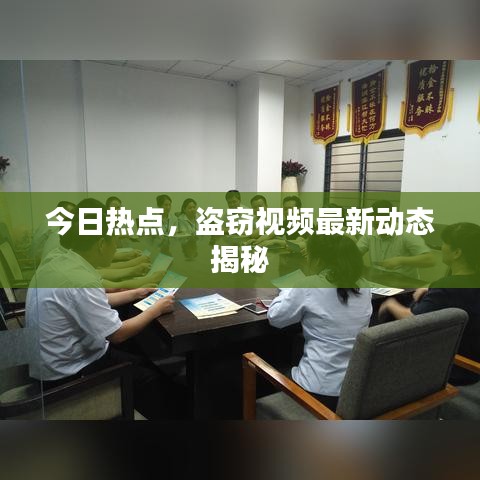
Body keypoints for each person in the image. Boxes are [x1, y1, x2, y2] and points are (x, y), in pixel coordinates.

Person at [26, 198, 186, 419]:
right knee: (153, 379)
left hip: (53, 362)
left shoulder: (60, 259)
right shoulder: (80, 279)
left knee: (140, 354)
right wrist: (157, 309)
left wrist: (136, 292)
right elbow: (118, 333)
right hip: (67, 377)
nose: (117, 246)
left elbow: (87, 302)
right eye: (115, 241)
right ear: (102, 244)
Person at [267, 234, 372, 410]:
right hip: (353, 390)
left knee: (268, 365)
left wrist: (288, 290)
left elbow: (275, 318)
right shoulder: (364, 286)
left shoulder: (309, 285)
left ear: (318, 260)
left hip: (316, 393)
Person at [378, 222, 480, 385]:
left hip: (450, 367)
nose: (442, 247)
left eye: (445, 243)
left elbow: (414, 320)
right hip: (472, 363)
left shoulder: (446, 286)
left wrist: (390, 304)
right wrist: (431, 288)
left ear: (457, 253)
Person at [356, 200, 435, 279]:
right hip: (379, 280)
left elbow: (430, 260)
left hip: (404, 282)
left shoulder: (406, 232)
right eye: (376, 225)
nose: (379, 229)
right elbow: (355, 252)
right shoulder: (371, 232)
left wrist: (401, 260)